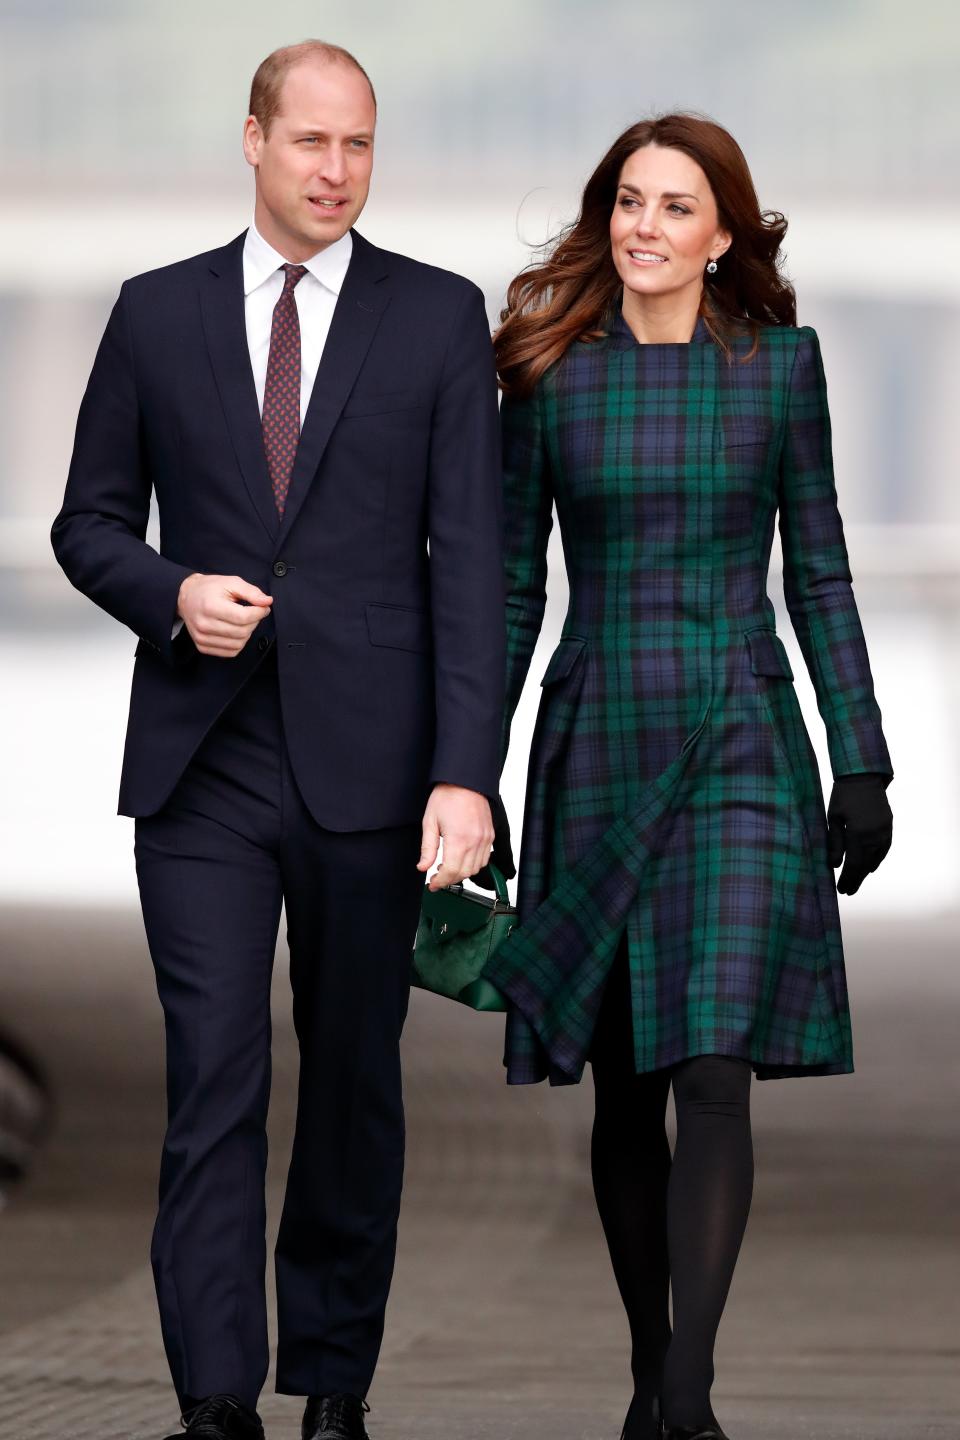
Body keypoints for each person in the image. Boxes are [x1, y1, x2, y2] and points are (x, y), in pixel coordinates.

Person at [52, 41, 505, 1440]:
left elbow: (470, 567)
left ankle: (333, 1381)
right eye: (311, 142)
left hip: (374, 773)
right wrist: (171, 594)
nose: (336, 171)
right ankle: (211, 1398)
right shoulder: (154, 315)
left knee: (356, 1086)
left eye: (359, 146)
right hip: (203, 764)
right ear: (252, 140)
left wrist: (465, 773)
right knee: (214, 1078)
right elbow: (87, 525)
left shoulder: (437, 319)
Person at [485, 115, 894, 1440]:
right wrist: (466, 774)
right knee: (627, 1083)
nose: (644, 227)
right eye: (628, 203)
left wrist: (863, 757)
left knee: (712, 1063)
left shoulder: (782, 371)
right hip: (596, 737)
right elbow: (505, 591)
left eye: (675, 207)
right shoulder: (551, 376)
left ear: (724, 237)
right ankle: (650, 1366)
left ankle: (692, 1395)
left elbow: (819, 570)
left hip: (738, 739)